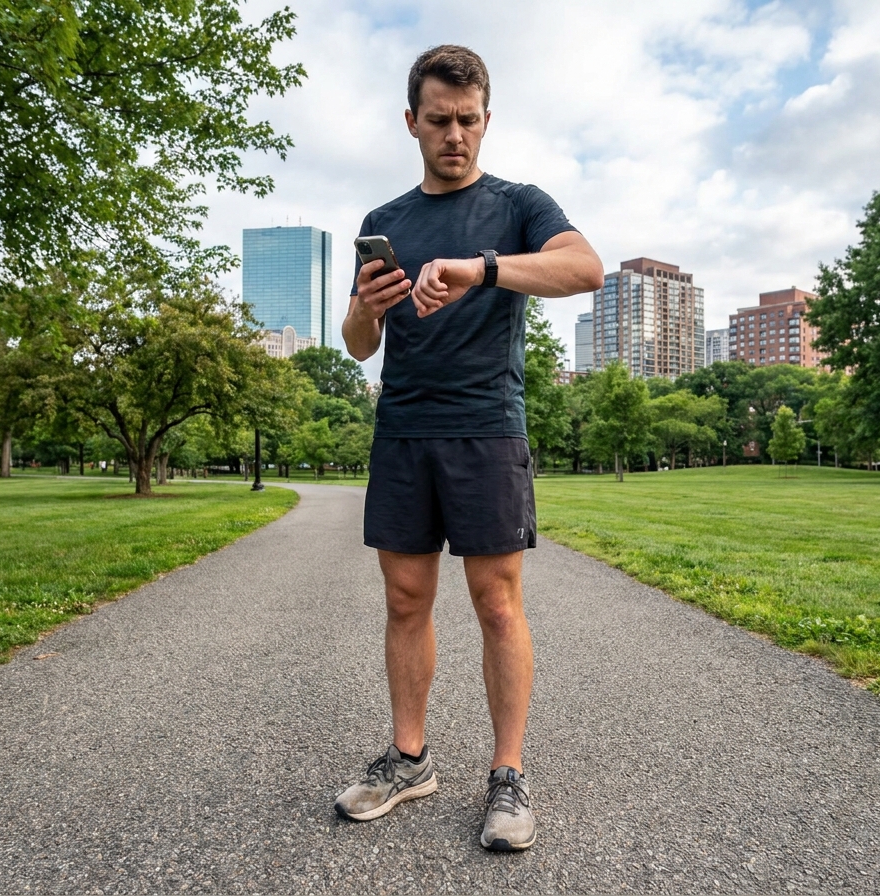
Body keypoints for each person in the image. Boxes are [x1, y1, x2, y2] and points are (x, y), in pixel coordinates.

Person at [335, 45, 603, 851]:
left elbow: (583, 268)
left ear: (487, 119)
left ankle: (508, 775)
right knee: (406, 600)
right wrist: (369, 309)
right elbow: (354, 346)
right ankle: (410, 759)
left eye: (469, 119)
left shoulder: (519, 204)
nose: (456, 134)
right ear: (410, 121)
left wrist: (481, 269)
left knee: (496, 603)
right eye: (440, 119)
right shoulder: (385, 223)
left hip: (488, 425)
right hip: (405, 430)